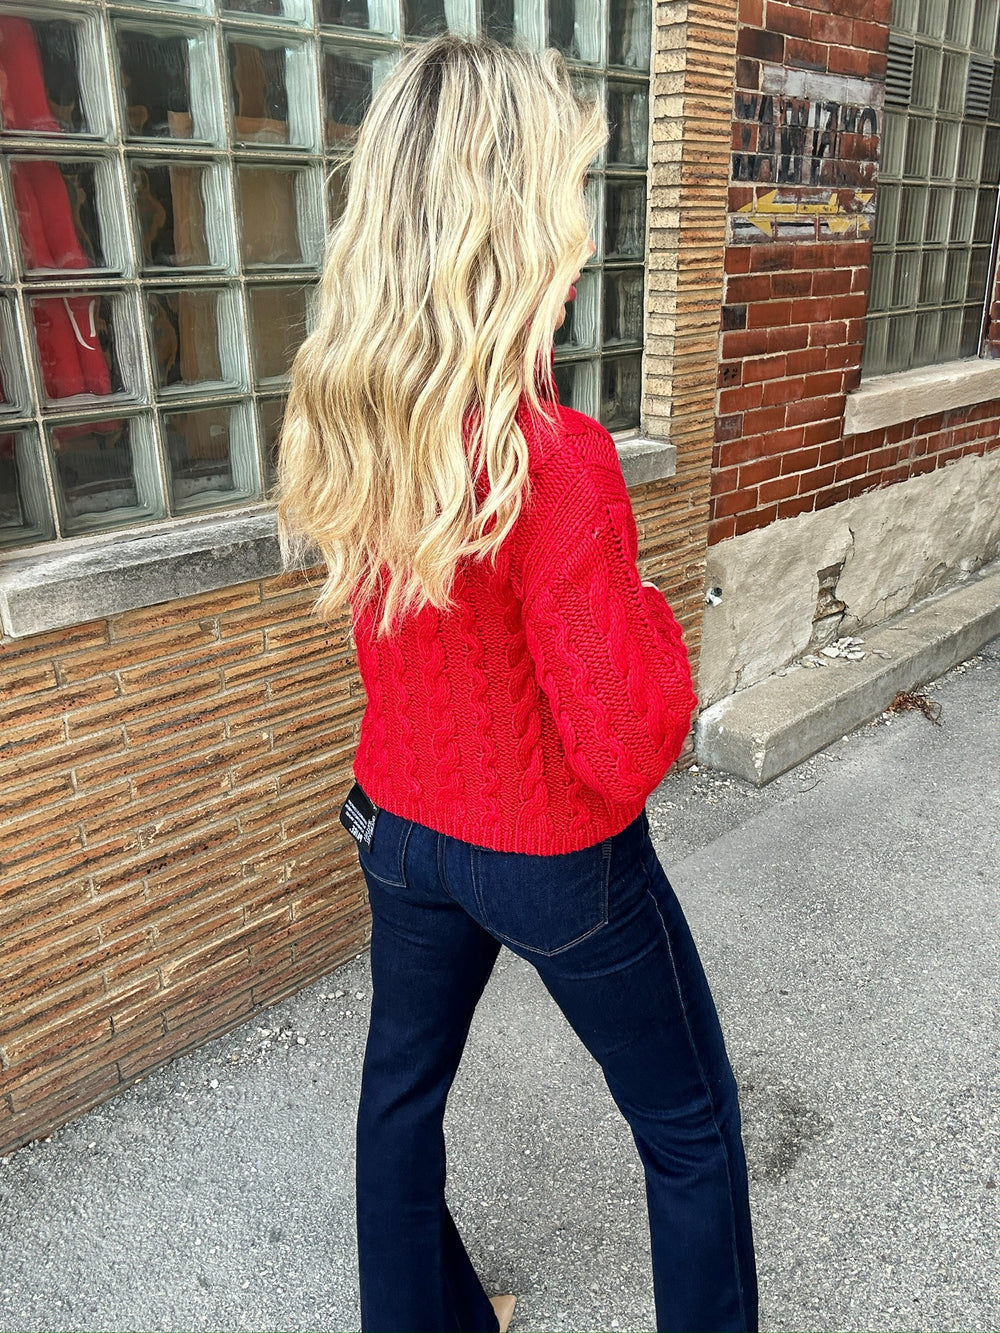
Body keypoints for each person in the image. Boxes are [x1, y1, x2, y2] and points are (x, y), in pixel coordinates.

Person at [276, 35, 757, 1333]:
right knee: (691, 1126)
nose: (585, 242)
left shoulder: (356, 419)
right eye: (568, 201)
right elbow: (626, 739)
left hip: (399, 827)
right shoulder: (562, 461)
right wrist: (651, 610)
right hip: (555, 856)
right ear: (512, 228)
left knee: (399, 1103)